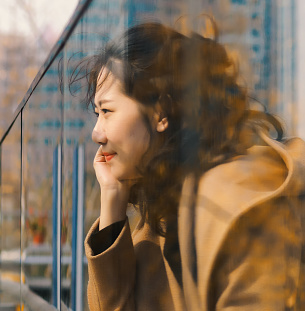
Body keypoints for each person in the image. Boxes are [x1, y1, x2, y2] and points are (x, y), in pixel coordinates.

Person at [80, 22, 305, 310]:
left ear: (160, 112)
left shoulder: (237, 205)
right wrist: (112, 199)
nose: (96, 133)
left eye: (107, 111)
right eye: (97, 113)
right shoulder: (163, 213)